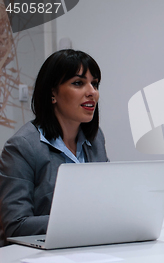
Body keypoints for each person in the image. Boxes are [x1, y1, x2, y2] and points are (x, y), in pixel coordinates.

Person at [0, 49, 108, 246]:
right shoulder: (21, 147)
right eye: (78, 83)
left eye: (95, 83)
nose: (92, 92)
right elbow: (16, 225)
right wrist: (81, 222)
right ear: (52, 92)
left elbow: (107, 200)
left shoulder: (95, 138)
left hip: (88, 247)